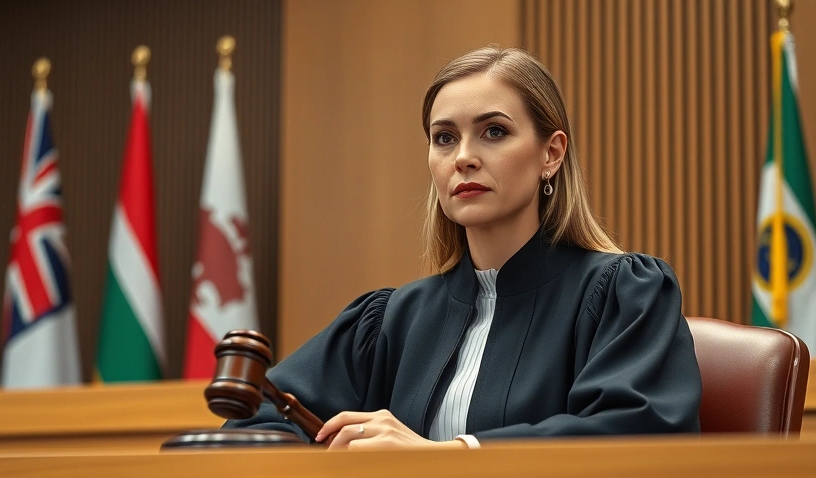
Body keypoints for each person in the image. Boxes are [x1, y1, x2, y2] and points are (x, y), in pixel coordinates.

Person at [223, 45, 702, 449]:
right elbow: (252, 423)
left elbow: (637, 435)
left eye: (494, 131)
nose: (464, 158)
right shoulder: (392, 320)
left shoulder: (626, 294)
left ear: (551, 154)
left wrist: (446, 456)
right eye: (444, 138)